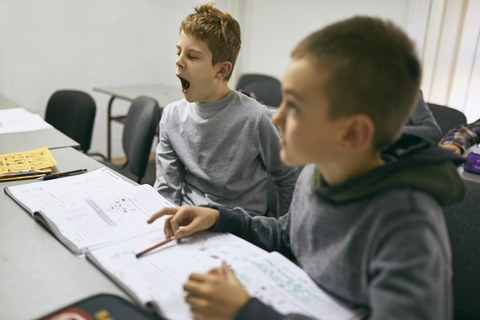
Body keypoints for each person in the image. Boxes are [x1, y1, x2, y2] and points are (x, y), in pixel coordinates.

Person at [148, 16, 466, 320]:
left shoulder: (407, 225)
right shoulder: (317, 173)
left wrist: (248, 313)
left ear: (352, 133)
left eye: (296, 106)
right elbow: (290, 235)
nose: (277, 117)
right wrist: (223, 217)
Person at [153, 2, 298, 217]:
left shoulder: (256, 119)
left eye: (192, 56)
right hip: (188, 222)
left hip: (240, 230)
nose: (178, 62)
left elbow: (287, 178)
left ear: (222, 69)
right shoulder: (172, 116)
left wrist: (285, 236)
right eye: (178, 52)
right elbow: (166, 191)